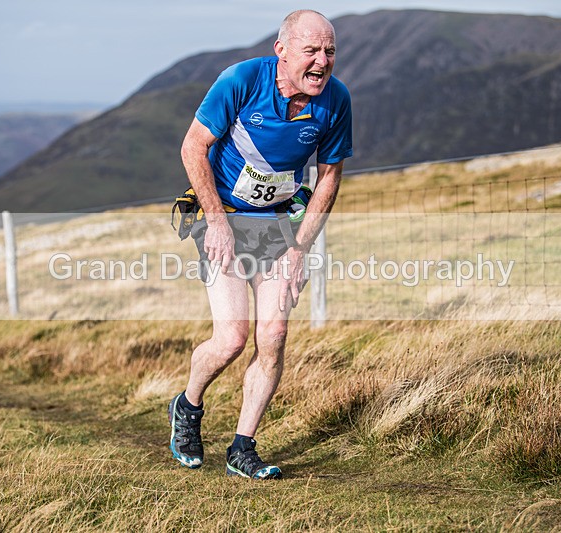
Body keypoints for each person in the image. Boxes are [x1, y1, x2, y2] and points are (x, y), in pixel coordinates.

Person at [168, 9, 352, 479]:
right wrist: (216, 222)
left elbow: (329, 178)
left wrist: (299, 249)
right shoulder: (241, 81)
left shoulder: (335, 100)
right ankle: (188, 407)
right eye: (311, 51)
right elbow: (193, 146)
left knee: (273, 335)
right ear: (282, 51)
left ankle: (242, 447)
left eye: (329, 51)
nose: (322, 61)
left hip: (278, 225)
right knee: (231, 338)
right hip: (222, 217)